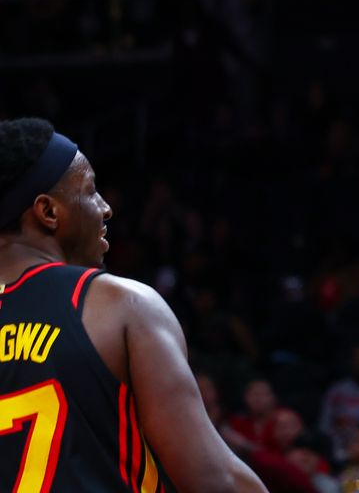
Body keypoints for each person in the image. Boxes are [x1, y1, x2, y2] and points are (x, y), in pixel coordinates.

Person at [0, 117, 267, 491]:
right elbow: (215, 480)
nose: (106, 207)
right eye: (90, 190)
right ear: (48, 212)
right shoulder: (120, 305)